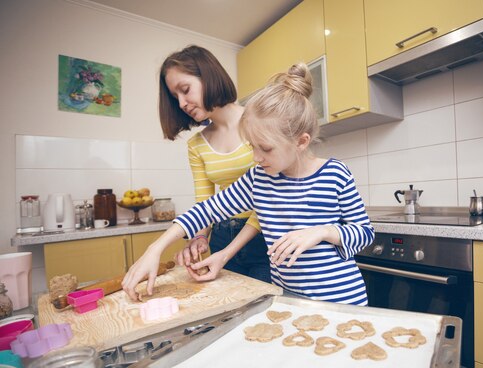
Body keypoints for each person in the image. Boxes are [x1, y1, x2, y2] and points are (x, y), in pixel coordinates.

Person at [123, 62, 374, 306]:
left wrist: (322, 231)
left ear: (301, 141)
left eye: (265, 148)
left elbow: (364, 234)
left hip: (342, 301)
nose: (256, 157)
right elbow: (207, 210)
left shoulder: (335, 174)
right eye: (252, 146)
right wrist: (155, 248)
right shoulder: (259, 179)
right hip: (288, 300)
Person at [159, 45, 270, 283]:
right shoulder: (196, 144)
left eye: (185, 90)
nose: (181, 103)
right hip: (221, 237)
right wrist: (199, 238)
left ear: (208, 76)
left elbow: (272, 196)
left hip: (265, 236)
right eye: (175, 97)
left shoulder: (260, 121)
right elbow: (206, 203)